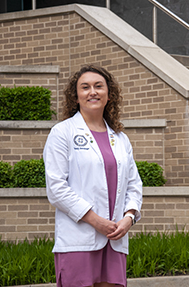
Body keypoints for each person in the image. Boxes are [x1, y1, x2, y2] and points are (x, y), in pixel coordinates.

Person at [43, 64, 143, 287]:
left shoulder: (120, 138)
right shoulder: (63, 132)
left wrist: (129, 217)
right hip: (79, 239)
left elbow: (134, 184)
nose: (93, 92)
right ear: (76, 96)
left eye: (99, 86)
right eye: (85, 87)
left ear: (109, 95)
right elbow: (56, 188)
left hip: (114, 240)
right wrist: (95, 221)